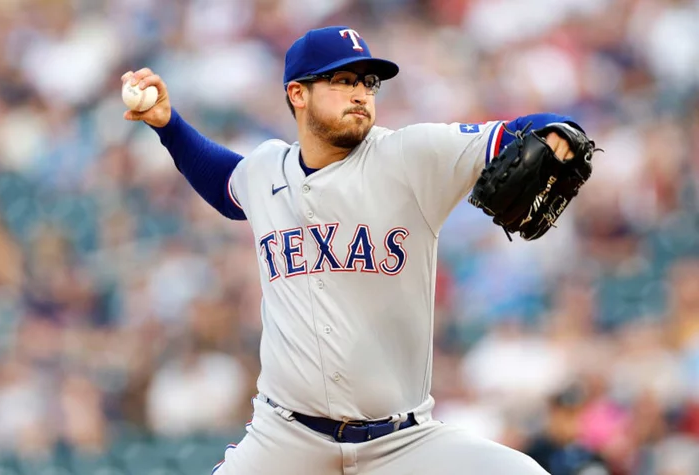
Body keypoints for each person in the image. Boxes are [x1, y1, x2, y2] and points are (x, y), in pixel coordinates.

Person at [122, 25, 583, 475]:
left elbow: (518, 132)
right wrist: (169, 126)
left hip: (402, 441)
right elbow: (226, 184)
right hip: (286, 440)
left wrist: (556, 130)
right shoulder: (265, 170)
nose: (362, 93)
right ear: (298, 94)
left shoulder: (410, 156)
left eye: (369, 82)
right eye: (343, 81)